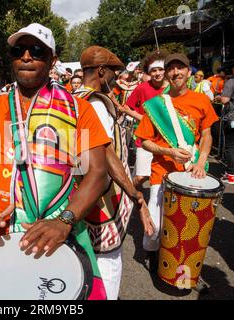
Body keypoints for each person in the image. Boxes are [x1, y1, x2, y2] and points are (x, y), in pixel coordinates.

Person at [0, 22, 141, 300]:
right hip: (0, 238)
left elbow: (97, 173)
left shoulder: (77, 110)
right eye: (19, 50)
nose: (26, 57)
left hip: (62, 235)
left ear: (52, 60)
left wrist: (64, 221)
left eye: (37, 51)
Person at [73, 46, 154, 300]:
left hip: (81, 192)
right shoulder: (95, 104)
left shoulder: (73, 96)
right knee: (108, 260)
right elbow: (106, 154)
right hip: (103, 199)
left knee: (85, 257)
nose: (114, 78)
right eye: (112, 72)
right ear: (100, 70)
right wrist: (135, 195)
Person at [134, 53, 218, 276]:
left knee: (188, 225)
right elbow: (145, 141)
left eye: (180, 68)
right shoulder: (155, 105)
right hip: (161, 173)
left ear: (188, 72)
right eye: (170, 69)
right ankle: (153, 255)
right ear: (166, 75)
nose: (175, 72)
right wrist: (167, 151)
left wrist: (201, 162)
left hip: (192, 172)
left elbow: (207, 134)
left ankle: (180, 265)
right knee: (155, 227)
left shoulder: (201, 101)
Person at [119, 50, 169, 188]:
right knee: (141, 176)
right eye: (153, 70)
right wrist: (144, 119)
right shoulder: (142, 88)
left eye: (161, 69)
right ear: (148, 72)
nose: (157, 73)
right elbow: (127, 108)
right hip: (145, 140)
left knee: (164, 178)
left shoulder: (173, 89)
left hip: (168, 141)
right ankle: (129, 192)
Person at [215, 58, 234, 184]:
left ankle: (231, 175)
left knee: (232, 147)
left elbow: (224, 100)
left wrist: (219, 97)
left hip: (233, 118)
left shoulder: (232, 81)